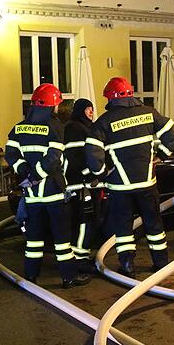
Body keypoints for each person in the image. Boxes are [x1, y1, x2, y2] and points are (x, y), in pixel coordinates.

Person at [85, 77, 174, 278]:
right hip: (147, 184)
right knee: (153, 224)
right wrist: (160, 155)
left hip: (120, 187)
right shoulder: (149, 113)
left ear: (111, 98)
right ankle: (161, 263)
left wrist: (102, 173)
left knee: (123, 227)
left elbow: (93, 154)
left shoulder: (104, 122)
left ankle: (127, 265)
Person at [4, 83, 91, 288]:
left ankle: (31, 276)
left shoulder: (18, 128)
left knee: (33, 239)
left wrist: (25, 172)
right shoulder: (55, 127)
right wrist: (37, 175)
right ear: (52, 106)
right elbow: (53, 158)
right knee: (62, 239)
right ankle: (68, 277)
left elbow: (11, 154)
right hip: (54, 194)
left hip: (32, 195)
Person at [63, 98, 103, 273]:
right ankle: (79, 259)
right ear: (80, 110)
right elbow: (78, 158)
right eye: (88, 109)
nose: (91, 112)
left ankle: (80, 255)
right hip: (82, 185)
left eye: (92, 109)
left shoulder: (80, 127)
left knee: (85, 221)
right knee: (84, 221)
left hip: (83, 185)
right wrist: (91, 176)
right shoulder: (75, 129)